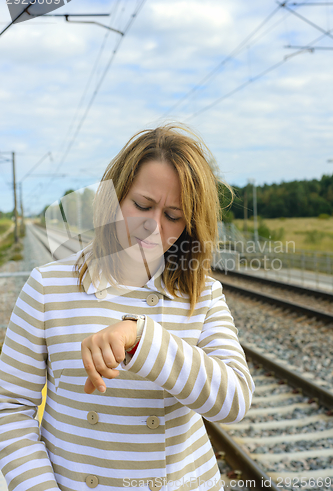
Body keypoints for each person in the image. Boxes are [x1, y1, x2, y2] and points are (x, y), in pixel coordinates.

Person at [0, 124, 255, 491]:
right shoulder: (47, 288)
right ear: (113, 198)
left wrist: (141, 338)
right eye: (141, 205)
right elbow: (10, 410)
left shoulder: (203, 293)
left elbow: (234, 401)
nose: (152, 228)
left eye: (173, 215)